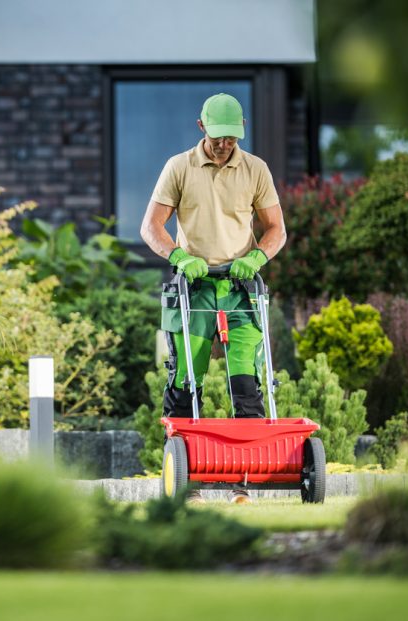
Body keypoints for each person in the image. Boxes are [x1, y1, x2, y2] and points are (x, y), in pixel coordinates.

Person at [139, 93, 287, 504]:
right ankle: (188, 484)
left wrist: (258, 255)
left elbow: (277, 228)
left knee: (247, 381)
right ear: (201, 127)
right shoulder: (179, 167)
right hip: (196, 288)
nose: (225, 145)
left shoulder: (255, 169)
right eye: (219, 137)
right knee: (186, 377)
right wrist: (178, 256)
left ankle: (246, 480)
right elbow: (151, 226)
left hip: (241, 290)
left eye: (232, 138)